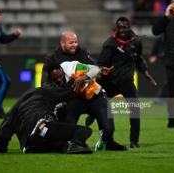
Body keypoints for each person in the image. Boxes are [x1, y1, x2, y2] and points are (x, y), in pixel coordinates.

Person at [96, 16, 157, 148]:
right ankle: (105, 136)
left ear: (129, 27)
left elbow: (138, 58)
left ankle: (134, 141)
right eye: (119, 28)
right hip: (110, 81)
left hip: (127, 81)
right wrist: (103, 70)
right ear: (116, 29)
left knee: (135, 108)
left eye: (124, 27)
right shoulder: (110, 44)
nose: (122, 30)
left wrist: (145, 72)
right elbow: (100, 63)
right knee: (99, 106)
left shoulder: (136, 41)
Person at [47, 61, 128, 151]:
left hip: (95, 96)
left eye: (60, 76)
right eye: (55, 79)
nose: (58, 80)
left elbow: (96, 69)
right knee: (66, 118)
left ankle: (106, 142)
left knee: (109, 129)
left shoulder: (71, 68)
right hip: (77, 101)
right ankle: (71, 143)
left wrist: (83, 77)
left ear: (62, 70)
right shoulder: (50, 84)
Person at [0, 80, 93, 154]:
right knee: (85, 130)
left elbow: (3, 133)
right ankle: (75, 146)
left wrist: (0, 150)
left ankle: (31, 148)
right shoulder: (44, 93)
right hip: (42, 127)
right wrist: (83, 79)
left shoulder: (15, 108)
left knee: (62, 145)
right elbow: (65, 90)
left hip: (29, 141)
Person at [152, 0, 174, 129]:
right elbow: (155, 31)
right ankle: (171, 120)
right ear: (171, 9)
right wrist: (166, 14)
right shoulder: (167, 22)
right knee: (171, 93)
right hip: (171, 63)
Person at [149, 34, 167, 105]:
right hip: (168, 60)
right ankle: (160, 98)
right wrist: (154, 55)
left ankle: (163, 98)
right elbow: (157, 46)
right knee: (169, 80)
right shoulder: (162, 38)